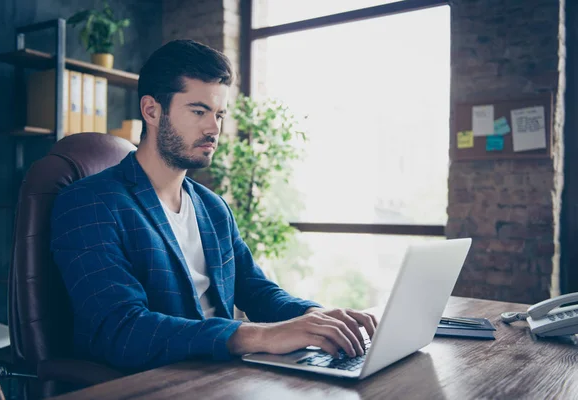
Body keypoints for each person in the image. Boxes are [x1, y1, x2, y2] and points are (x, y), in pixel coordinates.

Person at [51, 39, 377, 371]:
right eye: (198, 111)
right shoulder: (90, 203)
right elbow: (122, 330)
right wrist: (259, 337)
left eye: (219, 114)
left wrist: (315, 317)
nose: (214, 128)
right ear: (151, 110)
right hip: (161, 382)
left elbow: (256, 289)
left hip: (224, 375)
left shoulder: (212, 207)